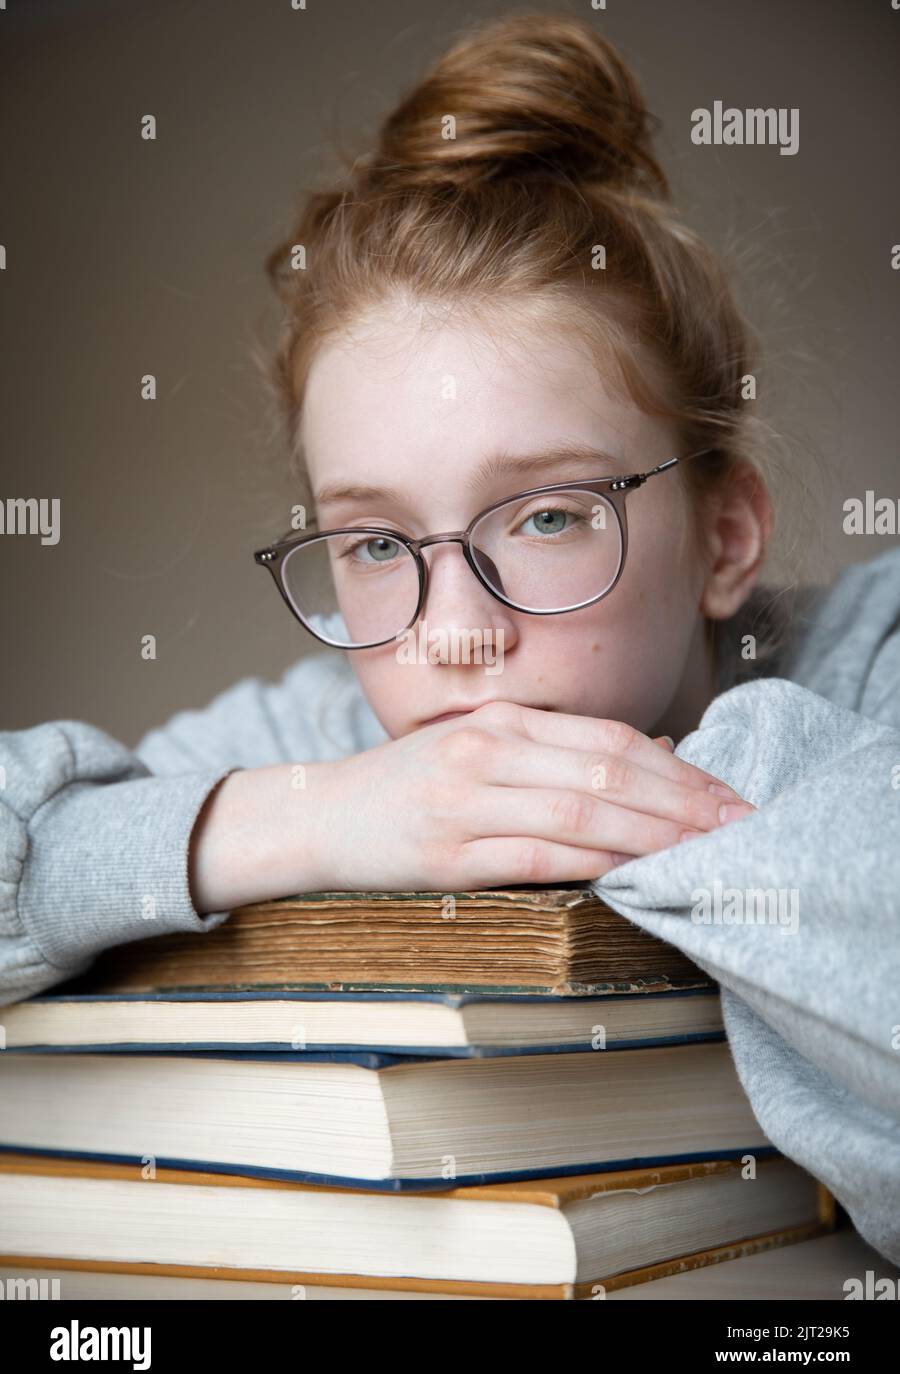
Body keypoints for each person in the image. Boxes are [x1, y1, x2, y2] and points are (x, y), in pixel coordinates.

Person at [1, 13, 897, 1264]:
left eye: (543, 516)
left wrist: (670, 793)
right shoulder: (327, 737)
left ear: (726, 534)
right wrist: (306, 818)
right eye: (376, 544)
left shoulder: (875, 657)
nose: (457, 636)